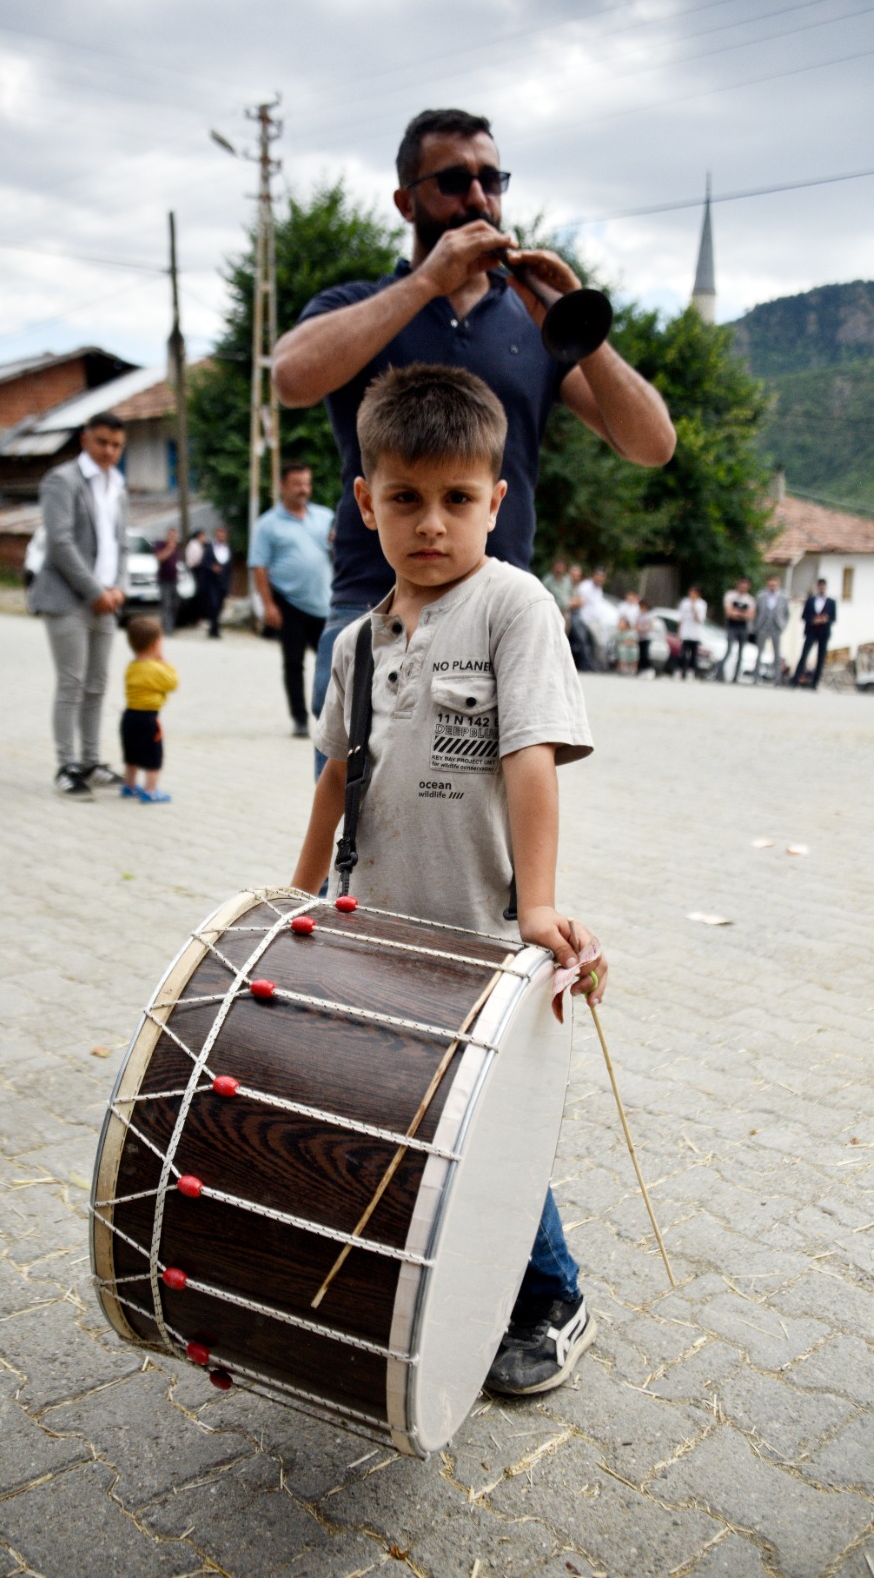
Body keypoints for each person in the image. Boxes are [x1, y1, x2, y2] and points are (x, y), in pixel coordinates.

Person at [291, 364, 606, 1396]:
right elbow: (334, 776)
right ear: (364, 502)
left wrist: (536, 908)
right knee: (399, 1116)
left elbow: (529, 760)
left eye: (457, 499)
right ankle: (427, 1285)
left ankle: (549, 1295)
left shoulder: (513, 607)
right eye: (405, 499)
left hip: (479, 932)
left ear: (494, 500)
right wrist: (296, 903)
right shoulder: (352, 642)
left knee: (487, 1134)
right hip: (376, 929)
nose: (431, 524)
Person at [272, 107, 675, 764]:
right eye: (453, 180)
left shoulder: (533, 321)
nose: (479, 198)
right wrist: (428, 279)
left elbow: (652, 445)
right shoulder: (360, 304)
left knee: (484, 843)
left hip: (498, 614)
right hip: (372, 609)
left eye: (492, 179)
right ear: (406, 201)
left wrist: (575, 320)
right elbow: (290, 376)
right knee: (354, 839)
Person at [29, 411, 128, 799]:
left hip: (106, 599)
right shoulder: (62, 480)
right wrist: (95, 591)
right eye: (103, 442)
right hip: (67, 598)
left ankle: (90, 760)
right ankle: (66, 764)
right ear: (86, 439)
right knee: (72, 682)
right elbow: (60, 542)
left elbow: (121, 542)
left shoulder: (116, 484)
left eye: (117, 445)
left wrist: (118, 587)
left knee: (97, 685)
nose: (109, 451)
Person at [248, 463, 334, 736]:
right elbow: (258, 566)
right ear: (283, 486)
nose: (303, 490)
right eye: (297, 484)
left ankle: (332, 717)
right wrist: (268, 605)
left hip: (326, 603)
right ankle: (299, 719)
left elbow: (338, 551)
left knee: (334, 663)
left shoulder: (325, 517)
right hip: (289, 603)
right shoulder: (267, 524)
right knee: (294, 663)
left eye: (307, 483)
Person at [119, 614, 179, 803]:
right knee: (154, 755)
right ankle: (150, 790)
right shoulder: (155, 668)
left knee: (132, 755)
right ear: (155, 644)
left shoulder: (132, 666)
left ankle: (128, 785)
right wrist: (165, 663)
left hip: (129, 717)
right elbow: (173, 683)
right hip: (148, 719)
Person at [791, 578, 836, 689]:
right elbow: (804, 616)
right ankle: (796, 679)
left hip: (824, 632)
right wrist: (813, 620)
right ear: (817, 587)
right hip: (811, 631)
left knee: (820, 658)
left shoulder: (831, 602)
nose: (821, 588)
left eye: (823, 586)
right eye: (820, 586)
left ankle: (815, 683)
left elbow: (833, 617)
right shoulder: (811, 600)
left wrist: (825, 620)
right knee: (804, 654)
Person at [753, 574, 790, 683]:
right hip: (763, 626)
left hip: (776, 626)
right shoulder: (761, 596)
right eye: (770, 582)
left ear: (778, 583)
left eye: (774, 582)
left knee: (777, 653)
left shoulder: (783, 597)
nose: (772, 584)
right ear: (767, 583)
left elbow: (787, 614)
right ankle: (756, 676)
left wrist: (782, 625)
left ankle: (777, 678)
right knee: (759, 651)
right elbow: (756, 611)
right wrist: (756, 625)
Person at [719, 577, 756, 683]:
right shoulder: (730, 595)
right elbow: (729, 612)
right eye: (741, 584)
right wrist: (742, 614)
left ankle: (736, 677)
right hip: (731, 626)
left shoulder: (750, 599)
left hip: (743, 627)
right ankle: (719, 674)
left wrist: (737, 613)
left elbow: (751, 615)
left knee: (741, 653)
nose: (743, 587)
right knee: (729, 650)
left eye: (746, 585)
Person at [200, 527, 232, 639]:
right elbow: (204, 563)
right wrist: (212, 567)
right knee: (213, 604)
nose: (220, 536)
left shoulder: (229, 549)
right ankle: (215, 629)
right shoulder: (209, 549)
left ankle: (214, 627)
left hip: (223, 583)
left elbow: (229, 568)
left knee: (219, 605)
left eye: (222, 534)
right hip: (211, 582)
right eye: (219, 534)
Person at [154, 528, 180, 637]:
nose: (172, 538)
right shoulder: (161, 545)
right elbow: (160, 558)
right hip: (164, 579)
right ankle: (167, 630)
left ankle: (170, 626)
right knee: (166, 604)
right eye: (170, 535)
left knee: (174, 604)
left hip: (174, 579)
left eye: (174, 536)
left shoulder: (176, 548)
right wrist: (169, 549)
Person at [678, 585, 706, 680]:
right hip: (685, 632)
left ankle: (691, 671)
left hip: (695, 633)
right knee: (683, 653)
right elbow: (680, 618)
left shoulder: (702, 604)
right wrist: (679, 632)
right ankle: (680, 670)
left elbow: (700, 619)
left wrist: (694, 607)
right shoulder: (684, 603)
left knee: (693, 654)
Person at [541, 556, 573, 622]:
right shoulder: (547, 580)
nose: (559, 569)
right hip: (552, 612)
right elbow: (542, 597)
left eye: (561, 567)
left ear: (564, 568)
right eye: (557, 567)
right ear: (553, 567)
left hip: (566, 612)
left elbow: (571, 595)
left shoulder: (568, 580)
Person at [636, 597, 656, 677]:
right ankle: (641, 669)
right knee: (640, 654)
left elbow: (651, 626)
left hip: (647, 637)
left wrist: (643, 628)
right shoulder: (639, 615)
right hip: (640, 637)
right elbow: (636, 624)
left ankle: (648, 669)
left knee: (645, 653)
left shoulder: (650, 615)